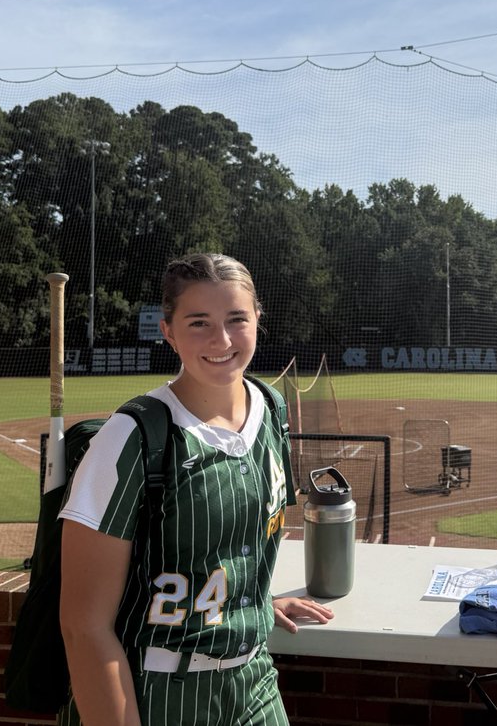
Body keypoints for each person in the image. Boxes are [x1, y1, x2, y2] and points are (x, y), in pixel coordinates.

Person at [56, 252, 332, 726]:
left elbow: (248, 536)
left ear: (257, 319)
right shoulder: (132, 436)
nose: (221, 339)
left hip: (255, 682)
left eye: (236, 319)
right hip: (158, 694)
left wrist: (248, 600)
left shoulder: (272, 409)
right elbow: (84, 627)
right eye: (199, 322)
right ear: (169, 331)